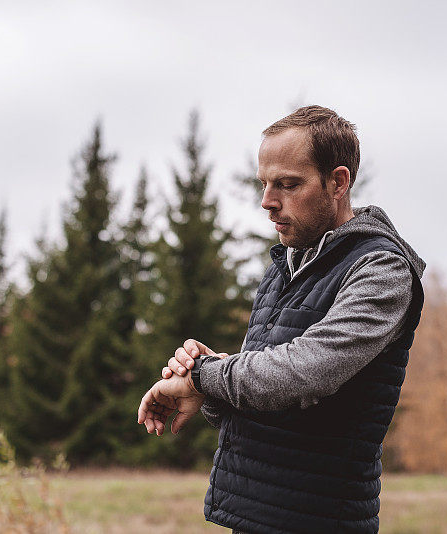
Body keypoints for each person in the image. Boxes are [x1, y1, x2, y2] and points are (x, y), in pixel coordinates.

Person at [137, 105, 425, 534]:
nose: (267, 202)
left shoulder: (380, 270)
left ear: (338, 182)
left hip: (318, 521)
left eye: (288, 185)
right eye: (265, 184)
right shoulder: (285, 267)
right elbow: (270, 395)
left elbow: (303, 373)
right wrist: (209, 393)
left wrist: (202, 373)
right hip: (257, 517)